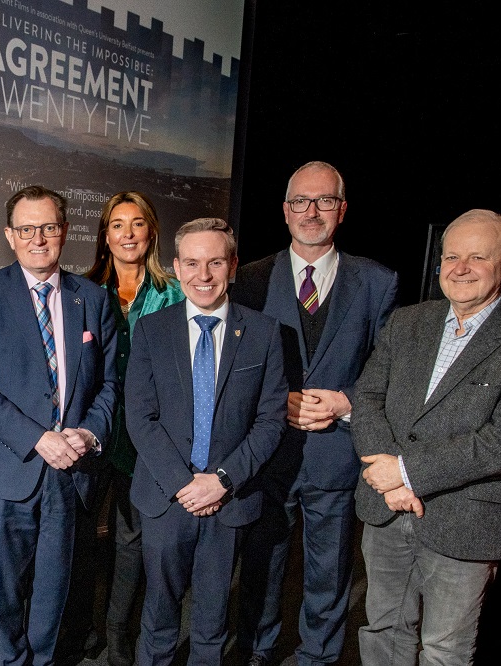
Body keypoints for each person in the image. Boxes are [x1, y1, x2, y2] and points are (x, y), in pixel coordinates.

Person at [353, 209, 501, 665]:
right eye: (451, 256)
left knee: (445, 650)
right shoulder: (407, 322)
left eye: (477, 257)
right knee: (381, 629)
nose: (459, 268)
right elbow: (367, 398)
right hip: (384, 510)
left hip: (468, 519)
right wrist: (388, 479)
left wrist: (404, 473)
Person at [231, 160, 398, 666]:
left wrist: (347, 401)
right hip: (269, 452)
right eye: (301, 201)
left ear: (341, 211)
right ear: (285, 211)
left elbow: (388, 368)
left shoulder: (377, 282)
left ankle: (318, 657)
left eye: (324, 201)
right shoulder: (250, 279)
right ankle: (257, 651)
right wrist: (272, 400)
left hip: (336, 456)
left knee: (330, 570)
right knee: (261, 562)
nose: (312, 211)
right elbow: (236, 367)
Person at [0, 185, 119, 665]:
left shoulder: (92, 298)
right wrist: (39, 438)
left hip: (70, 473)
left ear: (64, 231)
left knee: (53, 591)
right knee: (6, 595)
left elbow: (110, 384)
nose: (38, 238)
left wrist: (88, 434)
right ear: (10, 236)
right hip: (6, 472)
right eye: (27, 229)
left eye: (48, 227)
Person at [126, 218, 288, 666]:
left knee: (213, 623)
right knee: (158, 619)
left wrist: (221, 481)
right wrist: (185, 484)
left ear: (233, 265)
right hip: (166, 498)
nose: (204, 275)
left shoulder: (263, 333)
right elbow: (141, 418)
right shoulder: (152, 330)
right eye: (193, 263)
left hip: (229, 500)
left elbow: (270, 422)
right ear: (176, 267)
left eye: (215, 262)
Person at [61, 191, 184, 666]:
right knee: (80, 539)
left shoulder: (174, 291)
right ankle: (79, 632)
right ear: (105, 234)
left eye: (137, 224)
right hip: (92, 435)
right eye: (117, 224)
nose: (127, 233)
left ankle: (118, 640)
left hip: (147, 440)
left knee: (131, 544)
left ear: (151, 232)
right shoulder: (83, 291)